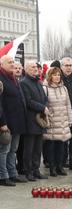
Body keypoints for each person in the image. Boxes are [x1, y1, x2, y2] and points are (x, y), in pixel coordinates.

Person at [0, 55, 27, 186]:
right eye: (9, 62)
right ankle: (3, 176)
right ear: (2, 64)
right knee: (4, 150)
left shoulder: (13, 79)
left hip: (17, 122)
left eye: (13, 62)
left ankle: (12, 173)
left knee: (13, 150)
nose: (12, 64)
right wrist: (2, 123)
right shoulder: (1, 79)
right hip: (6, 123)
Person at [43, 67, 72, 177]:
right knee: (51, 146)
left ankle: (60, 166)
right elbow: (44, 105)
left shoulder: (64, 88)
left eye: (58, 75)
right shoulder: (45, 88)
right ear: (50, 76)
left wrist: (70, 119)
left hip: (63, 121)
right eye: (54, 75)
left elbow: (68, 105)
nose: (57, 77)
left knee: (62, 146)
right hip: (51, 121)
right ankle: (52, 168)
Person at [21, 61, 48, 181]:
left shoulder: (38, 81)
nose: (36, 69)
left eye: (36, 67)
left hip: (40, 120)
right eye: (32, 67)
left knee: (38, 148)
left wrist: (45, 105)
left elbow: (44, 97)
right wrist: (42, 107)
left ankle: (36, 170)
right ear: (26, 69)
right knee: (29, 148)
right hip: (30, 120)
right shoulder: (24, 83)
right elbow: (28, 101)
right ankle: (28, 171)